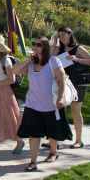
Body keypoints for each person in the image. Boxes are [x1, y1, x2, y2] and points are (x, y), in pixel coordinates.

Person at [13, 37, 72, 172]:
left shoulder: (53, 61)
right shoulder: (31, 64)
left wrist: (61, 97)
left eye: (38, 45)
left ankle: (53, 152)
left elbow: (61, 80)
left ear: (45, 47)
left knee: (52, 132)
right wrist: (28, 59)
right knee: (34, 134)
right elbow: (14, 71)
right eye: (33, 44)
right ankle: (33, 162)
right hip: (32, 104)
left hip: (51, 104)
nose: (35, 47)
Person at [54, 27, 90, 149]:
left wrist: (76, 59)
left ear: (70, 34)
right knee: (59, 110)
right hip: (62, 83)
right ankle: (55, 139)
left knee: (75, 110)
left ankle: (78, 140)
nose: (61, 37)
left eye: (63, 35)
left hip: (77, 83)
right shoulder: (59, 49)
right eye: (59, 35)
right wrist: (55, 44)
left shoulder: (78, 48)